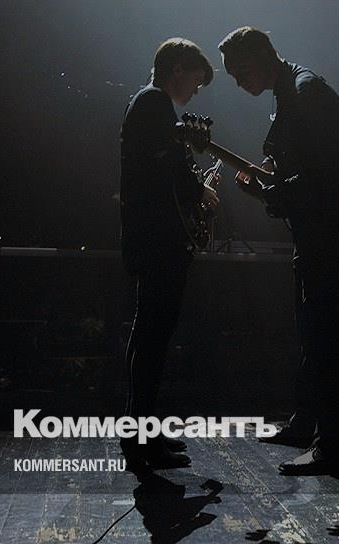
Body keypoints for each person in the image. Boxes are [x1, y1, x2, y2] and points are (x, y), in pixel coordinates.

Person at [218, 27, 339, 475]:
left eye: (239, 71)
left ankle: (332, 444)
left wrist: (271, 193)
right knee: (310, 323)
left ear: (260, 56)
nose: (237, 81)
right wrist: (272, 178)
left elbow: (322, 174)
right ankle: (307, 422)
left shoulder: (306, 92)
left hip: (331, 222)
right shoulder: (289, 92)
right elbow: (301, 165)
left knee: (322, 328)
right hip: (321, 222)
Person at [119, 38, 220, 470]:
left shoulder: (151, 105)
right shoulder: (154, 103)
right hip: (158, 240)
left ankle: (141, 432)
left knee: (150, 335)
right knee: (152, 337)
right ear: (178, 68)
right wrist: (201, 191)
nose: (196, 90)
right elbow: (167, 171)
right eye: (196, 79)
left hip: (155, 239)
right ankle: (140, 439)